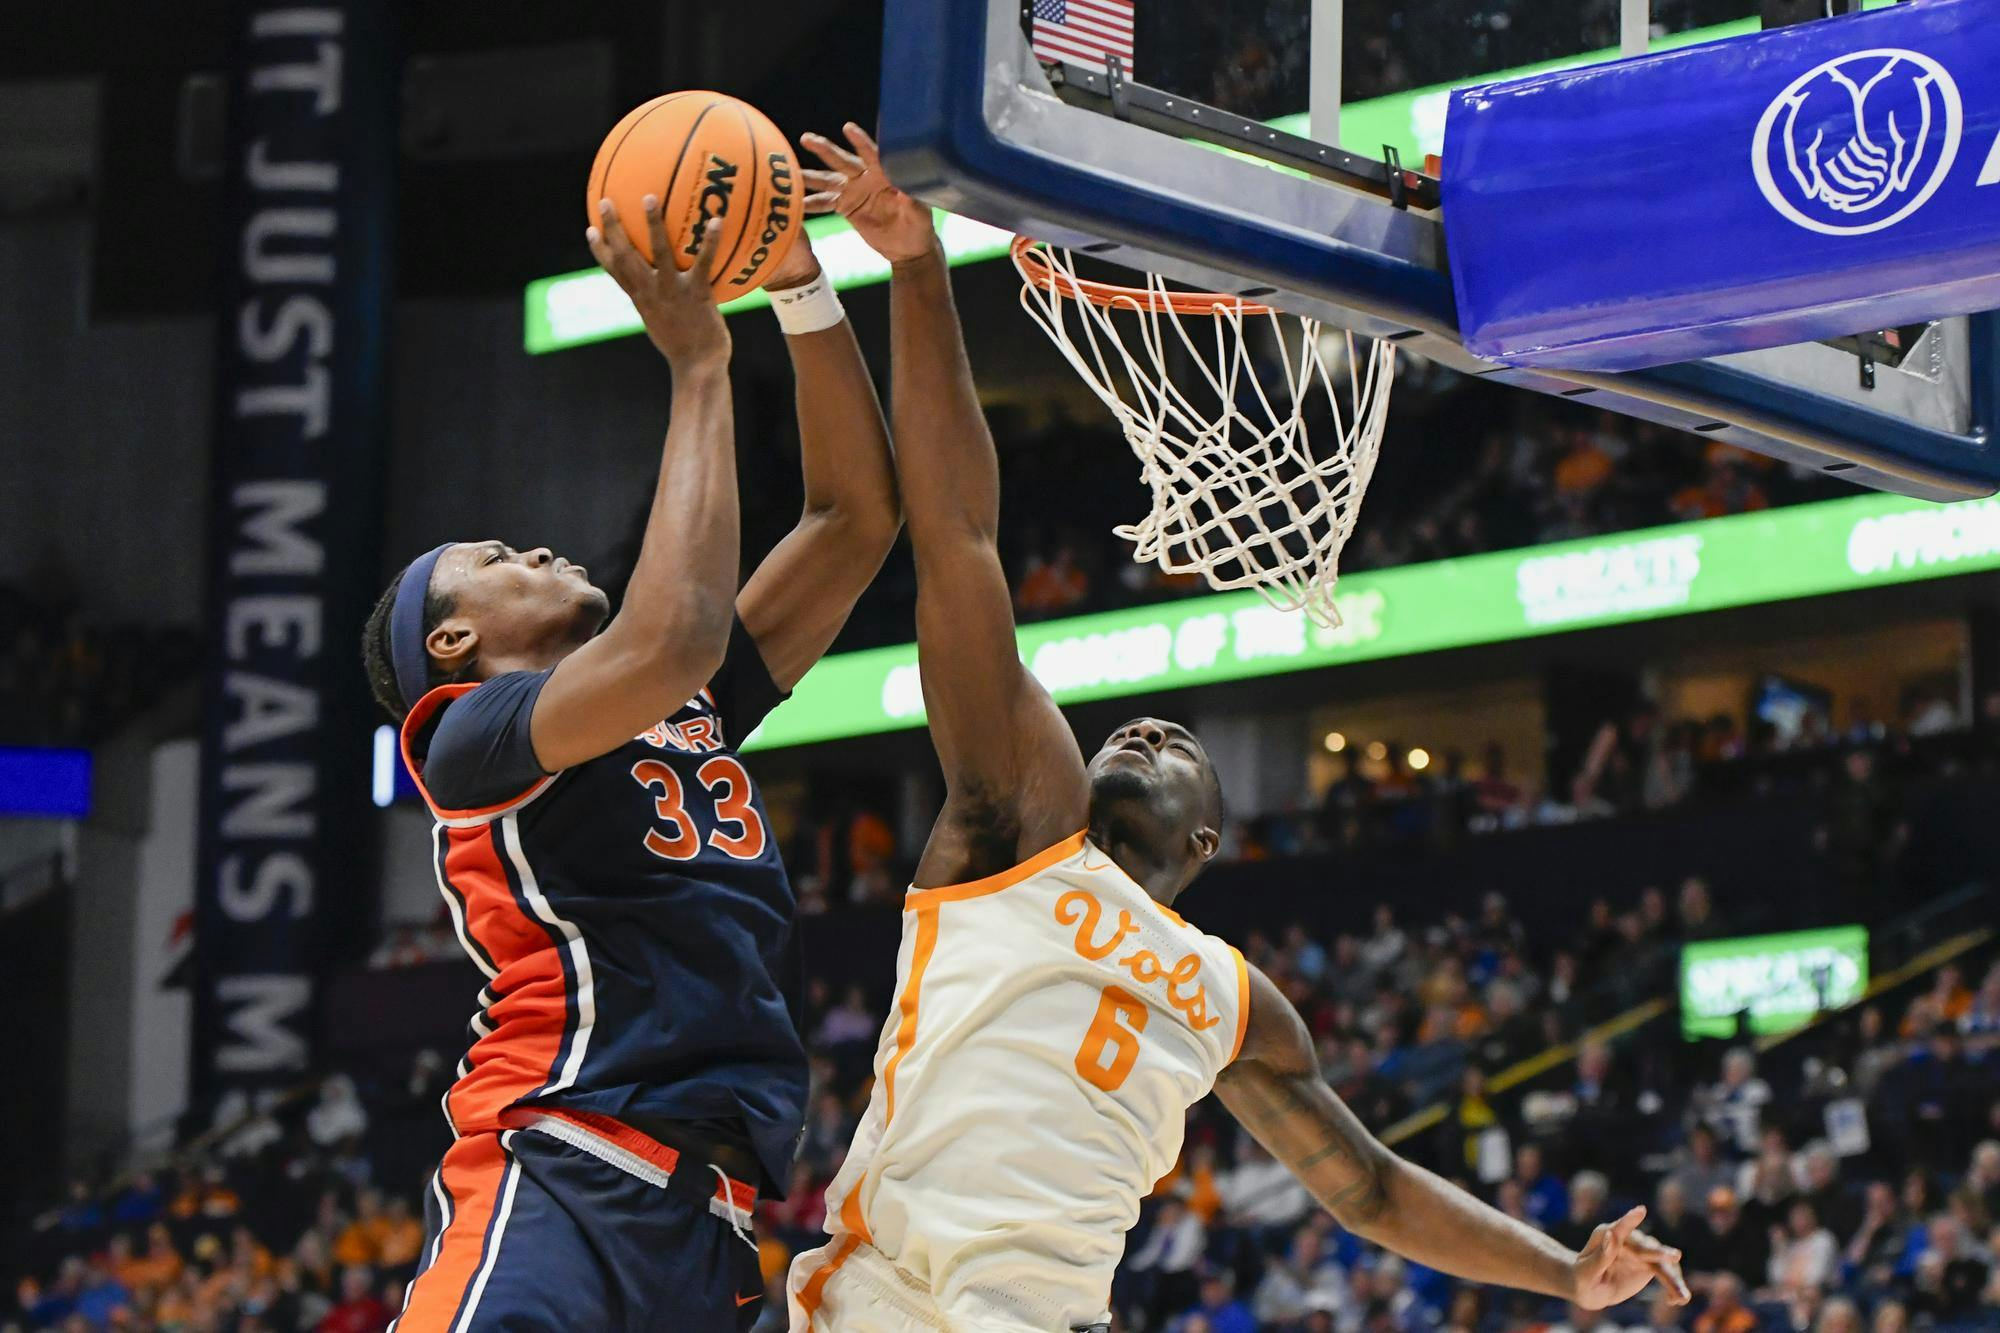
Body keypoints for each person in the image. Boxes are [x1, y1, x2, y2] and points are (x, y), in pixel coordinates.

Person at [783, 121, 1689, 1333]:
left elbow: (1366, 1187)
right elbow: (958, 539)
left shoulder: (1234, 998)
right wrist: (913, 265)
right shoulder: (1016, 824)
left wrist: (1563, 1272)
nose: (1149, 730)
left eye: (1181, 750)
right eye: (1138, 732)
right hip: (884, 1301)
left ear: (1204, 843)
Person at [367, 198, 900, 1332]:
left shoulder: (677, 707)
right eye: (499, 558)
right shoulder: (468, 734)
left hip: (708, 1225)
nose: (538, 548)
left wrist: (801, 283)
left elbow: (856, 519)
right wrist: (700, 364)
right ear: (450, 641)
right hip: (562, 1175)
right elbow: (675, 635)